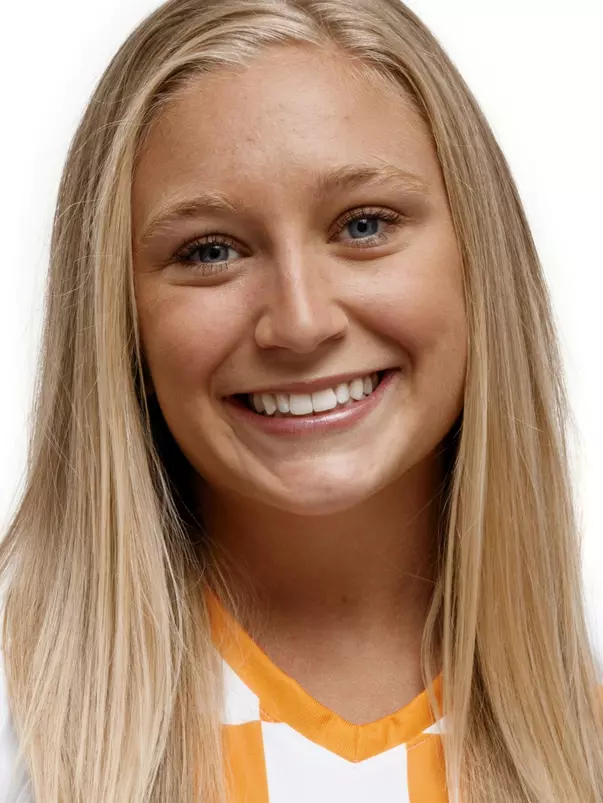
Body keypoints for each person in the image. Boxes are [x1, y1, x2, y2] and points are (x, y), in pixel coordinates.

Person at [1, 0, 602, 801]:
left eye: (362, 225)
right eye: (209, 250)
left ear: (477, 256)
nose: (301, 320)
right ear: (119, 317)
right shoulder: (20, 721)